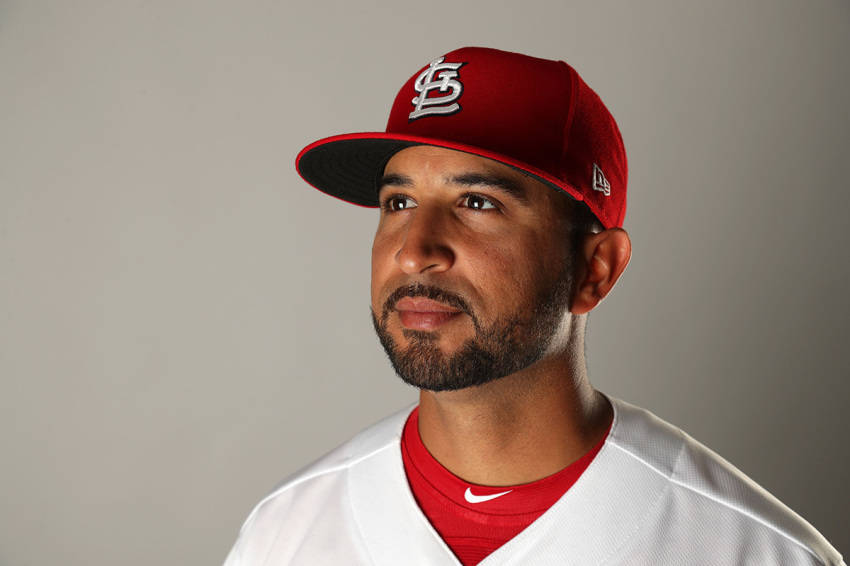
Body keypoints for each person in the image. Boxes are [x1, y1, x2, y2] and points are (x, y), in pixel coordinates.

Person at [223, 47, 843, 565]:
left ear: (594, 270)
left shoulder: (754, 551)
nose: (414, 252)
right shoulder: (283, 533)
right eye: (399, 203)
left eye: (478, 203)